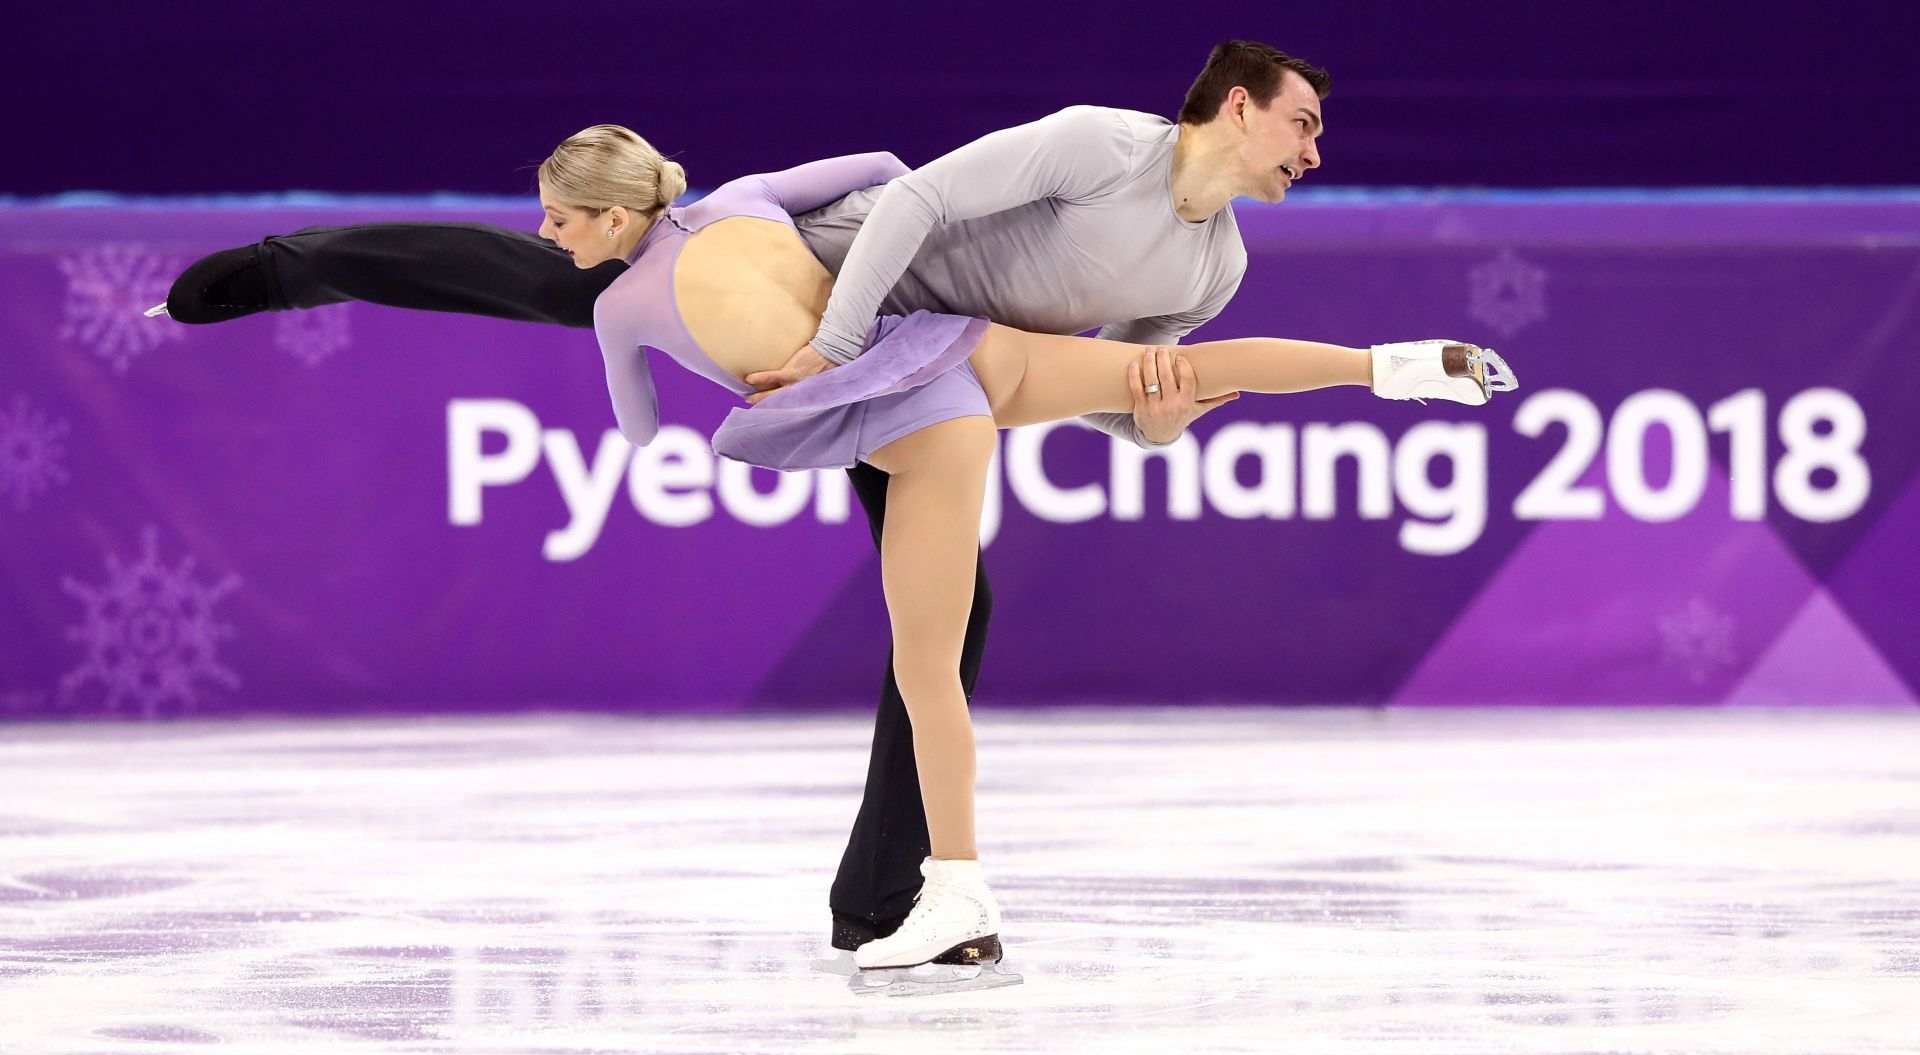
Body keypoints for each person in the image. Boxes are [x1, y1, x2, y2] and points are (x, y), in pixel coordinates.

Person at [154, 43, 1496, 981]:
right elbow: (906, 188)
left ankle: (894, 902)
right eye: (1304, 121)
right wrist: (834, 342)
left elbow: (1117, 401)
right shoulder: (1103, 146)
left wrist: (1150, 416)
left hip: (925, 365)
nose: (1318, 148)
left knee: (952, 620)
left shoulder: (1215, 265)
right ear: (1236, 107)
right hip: (837, 290)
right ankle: (276, 269)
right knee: (557, 289)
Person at [531, 118, 1511, 987]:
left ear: (615, 223)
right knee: (1175, 370)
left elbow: (639, 434)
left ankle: (958, 890)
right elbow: (883, 166)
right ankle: (1403, 365)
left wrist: (639, 334)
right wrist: (848, 299)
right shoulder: (745, 198)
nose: (546, 237)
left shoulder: (620, 307)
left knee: (927, 665)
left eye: (560, 223)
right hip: (954, 342)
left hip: (921, 422)